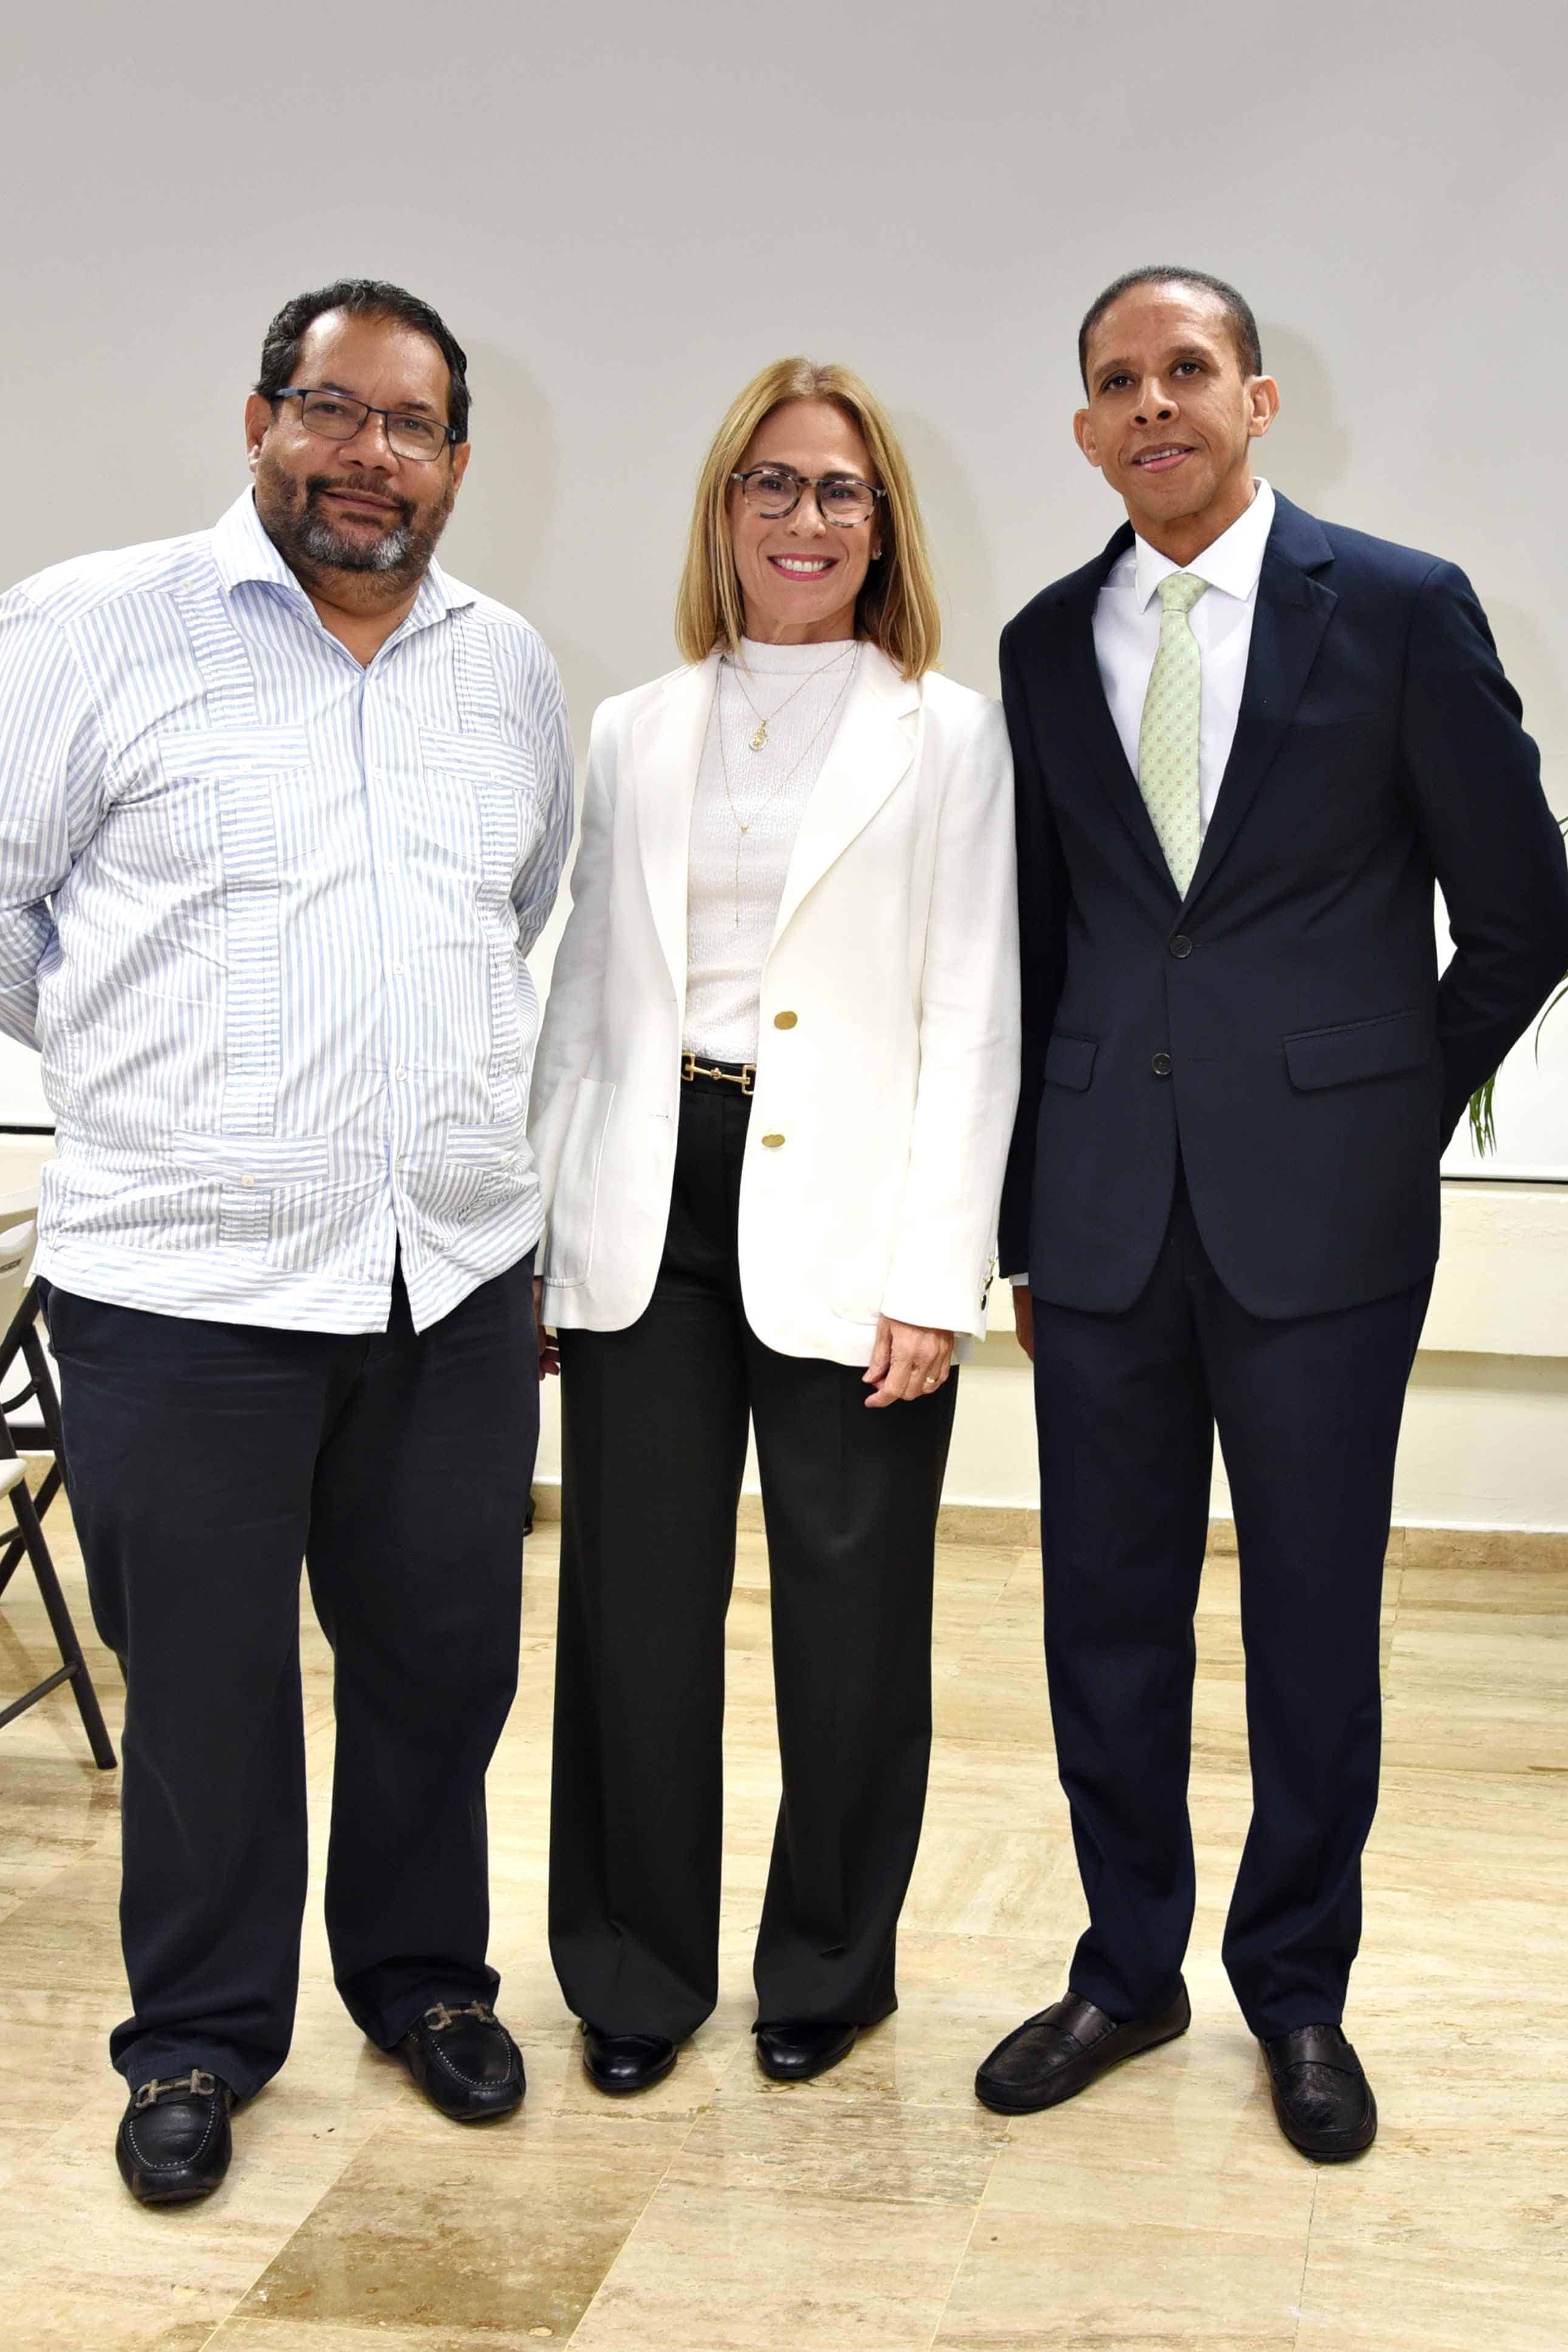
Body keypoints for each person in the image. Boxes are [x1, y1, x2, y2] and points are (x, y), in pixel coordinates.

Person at [0, 278, 573, 2200]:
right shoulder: (96, 626)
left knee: (444, 1658)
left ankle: (425, 1979)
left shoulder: (504, 667)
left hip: (446, 1271)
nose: (374, 457)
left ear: (456, 460)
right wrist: (151, 1064)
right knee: (204, 1681)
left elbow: (516, 903)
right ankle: (195, 2036)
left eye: (415, 426)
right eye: (335, 412)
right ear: (260, 417)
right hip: (180, 1285)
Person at [976, 267, 1568, 2158]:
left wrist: (1378, 1113)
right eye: (1115, 383)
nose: (1152, 404)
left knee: (1315, 1621)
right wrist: (1017, 1204)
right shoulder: (1039, 640)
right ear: (1084, 428)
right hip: (1097, 1222)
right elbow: (1047, 941)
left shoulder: (1394, 609)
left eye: (1187, 371)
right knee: (1107, 1616)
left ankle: (1297, 1987)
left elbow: (1525, 918)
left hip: (1321, 1222)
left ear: (1257, 399)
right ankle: (1126, 1966)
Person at [529, 358, 1019, 2097]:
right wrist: (545, 1221)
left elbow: (975, 1014)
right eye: (773, 484)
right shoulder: (635, 725)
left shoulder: (944, 730)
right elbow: (586, 992)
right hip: (650, 1190)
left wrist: (932, 1275)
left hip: (853, 1208)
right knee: (634, 1611)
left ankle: (832, 1962)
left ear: (882, 526)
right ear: (723, 508)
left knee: (853, 1617)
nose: (804, 520)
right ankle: (632, 1973)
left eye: (840, 492)